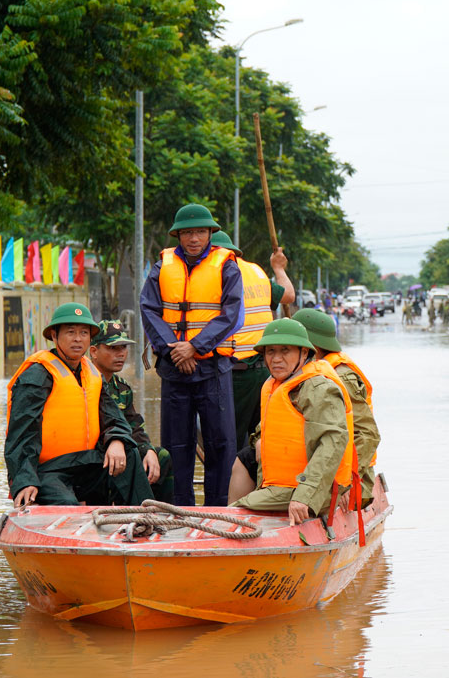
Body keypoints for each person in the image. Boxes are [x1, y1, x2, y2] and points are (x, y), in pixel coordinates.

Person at [139, 203, 243, 506]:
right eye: (187, 232)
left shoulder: (227, 265)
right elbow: (149, 309)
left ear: (210, 233)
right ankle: (178, 509)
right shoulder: (162, 266)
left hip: (213, 367)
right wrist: (175, 350)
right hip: (174, 367)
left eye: (199, 231)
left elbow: (231, 314)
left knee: (220, 444)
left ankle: (217, 510)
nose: (194, 238)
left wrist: (195, 347)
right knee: (176, 445)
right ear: (178, 235)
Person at [5, 303, 153, 508]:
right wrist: (25, 480)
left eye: (84, 333)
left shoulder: (91, 374)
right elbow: (22, 433)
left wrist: (116, 440)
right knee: (67, 505)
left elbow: (114, 417)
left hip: (84, 464)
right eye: (70, 332)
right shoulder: (37, 375)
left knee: (129, 453)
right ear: (54, 337)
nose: (78, 339)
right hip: (48, 470)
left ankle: (144, 518)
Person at [231, 318, 355, 526]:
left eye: (285, 351)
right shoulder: (276, 385)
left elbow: (333, 443)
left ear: (304, 353)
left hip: (309, 490)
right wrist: (258, 441)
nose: (276, 359)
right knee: (242, 463)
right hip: (281, 487)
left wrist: (303, 496)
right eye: (270, 351)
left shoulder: (318, 389)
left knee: (232, 513)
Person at [207, 230, 295, 454]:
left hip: (231, 373)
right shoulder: (256, 272)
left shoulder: (212, 277)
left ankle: (231, 487)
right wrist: (278, 269)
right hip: (264, 373)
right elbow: (289, 295)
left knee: (227, 444)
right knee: (263, 438)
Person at [291, 308, 380, 507]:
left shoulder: (340, 377)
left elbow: (367, 434)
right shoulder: (298, 370)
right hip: (310, 466)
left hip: (348, 476)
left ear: (311, 346)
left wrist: (345, 481)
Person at [88, 319, 175, 503]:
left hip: (122, 450)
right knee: (131, 456)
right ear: (94, 351)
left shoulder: (122, 388)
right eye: (113, 348)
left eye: (124, 347)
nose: (121, 354)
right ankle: (137, 515)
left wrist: (149, 450)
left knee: (162, 456)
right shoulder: (83, 383)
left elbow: (134, 424)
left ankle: (163, 515)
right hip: (94, 455)